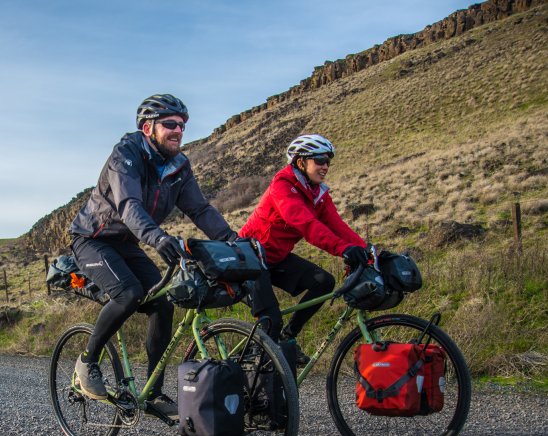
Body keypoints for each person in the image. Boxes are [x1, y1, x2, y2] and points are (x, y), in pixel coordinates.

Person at [70, 94, 236, 417]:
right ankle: (87, 361)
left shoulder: (178, 167)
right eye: (170, 124)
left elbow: (200, 209)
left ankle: (154, 393)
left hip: (127, 244)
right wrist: (158, 238)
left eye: (183, 125)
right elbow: (129, 205)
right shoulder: (126, 154)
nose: (178, 130)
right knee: (129, 293)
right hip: (92, 238)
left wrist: (232, 240)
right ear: (148, 128)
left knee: (162, 301)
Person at [239, 134, 369, 365]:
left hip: (276, 258)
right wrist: (343, 250)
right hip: (249, 258)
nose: (325, 166)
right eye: (320, 160)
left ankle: (288, 337)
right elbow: (307, 225)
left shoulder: (317, 193)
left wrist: (366, 250)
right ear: (300, 162)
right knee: (271, 319)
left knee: (323, 282)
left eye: (328, 161)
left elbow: (336, 225)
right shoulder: (282, 186)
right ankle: (255, 374)